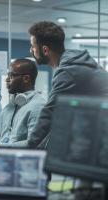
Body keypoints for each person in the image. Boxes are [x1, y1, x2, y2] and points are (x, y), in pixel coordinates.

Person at [28, 21, 108, 149]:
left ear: (45, 50)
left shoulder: (68, 71)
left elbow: (49, 114)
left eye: (33, 46)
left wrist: (27, 149)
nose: (31, 50)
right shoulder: (74, 62)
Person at [0, 58, 46, 147]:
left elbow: (33, 144)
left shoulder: (38, 106)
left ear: (26, 78)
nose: (7, 80)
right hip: (1, 158)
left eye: (11, 76)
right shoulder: (9, 107)